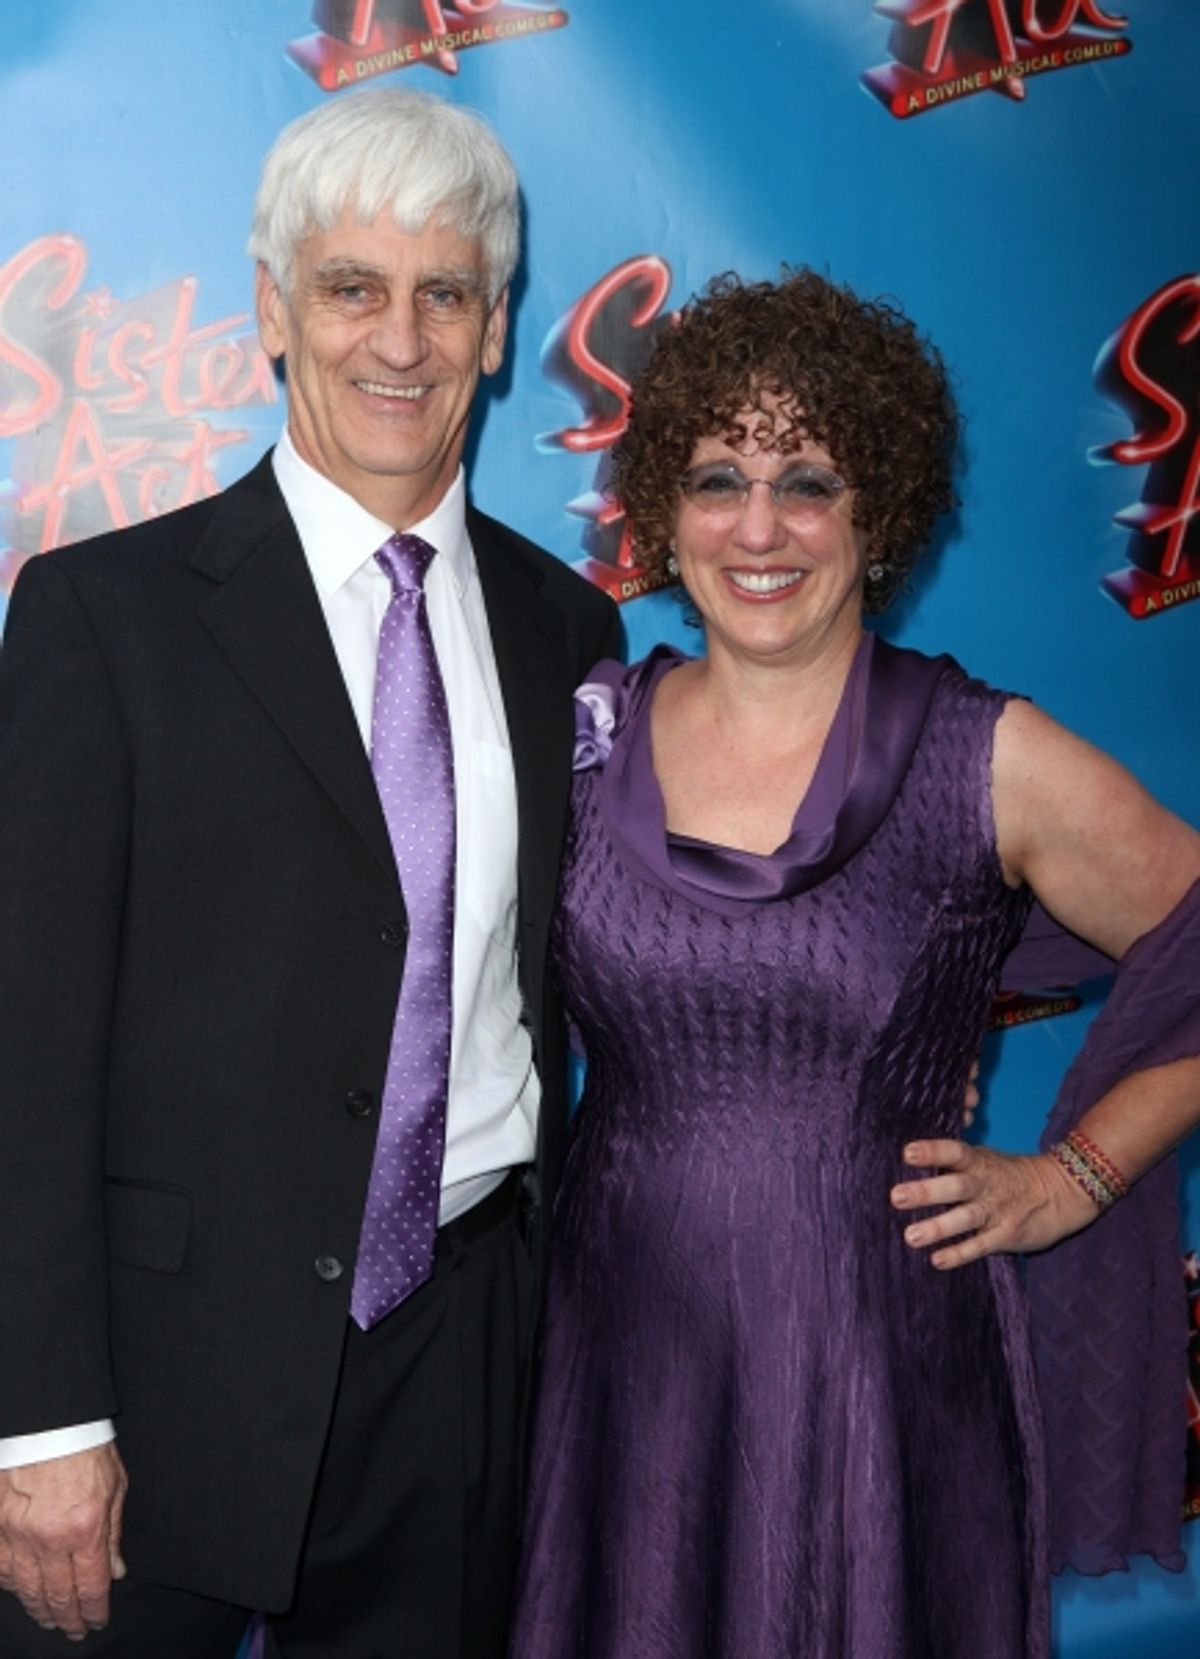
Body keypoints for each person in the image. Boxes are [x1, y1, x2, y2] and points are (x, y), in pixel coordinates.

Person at [0, 86, 617, 1658]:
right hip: (159, 1377)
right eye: (352, 288)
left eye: (445, 294)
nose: (397, 341)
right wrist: (39, 1421)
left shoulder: (571, 634)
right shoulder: (102, 618)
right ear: (275, 313)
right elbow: (26, 1049)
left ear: (495, 330)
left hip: (463, 1360)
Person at [508, 269, 1200, 1658]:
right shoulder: (582, 737)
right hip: (613, 1358)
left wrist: (1076, 1177)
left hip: (877, 1378)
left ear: (878, 511)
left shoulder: (983, 756)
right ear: (663, 509)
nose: (759, 528)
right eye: (717, 478)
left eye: (808, 480)